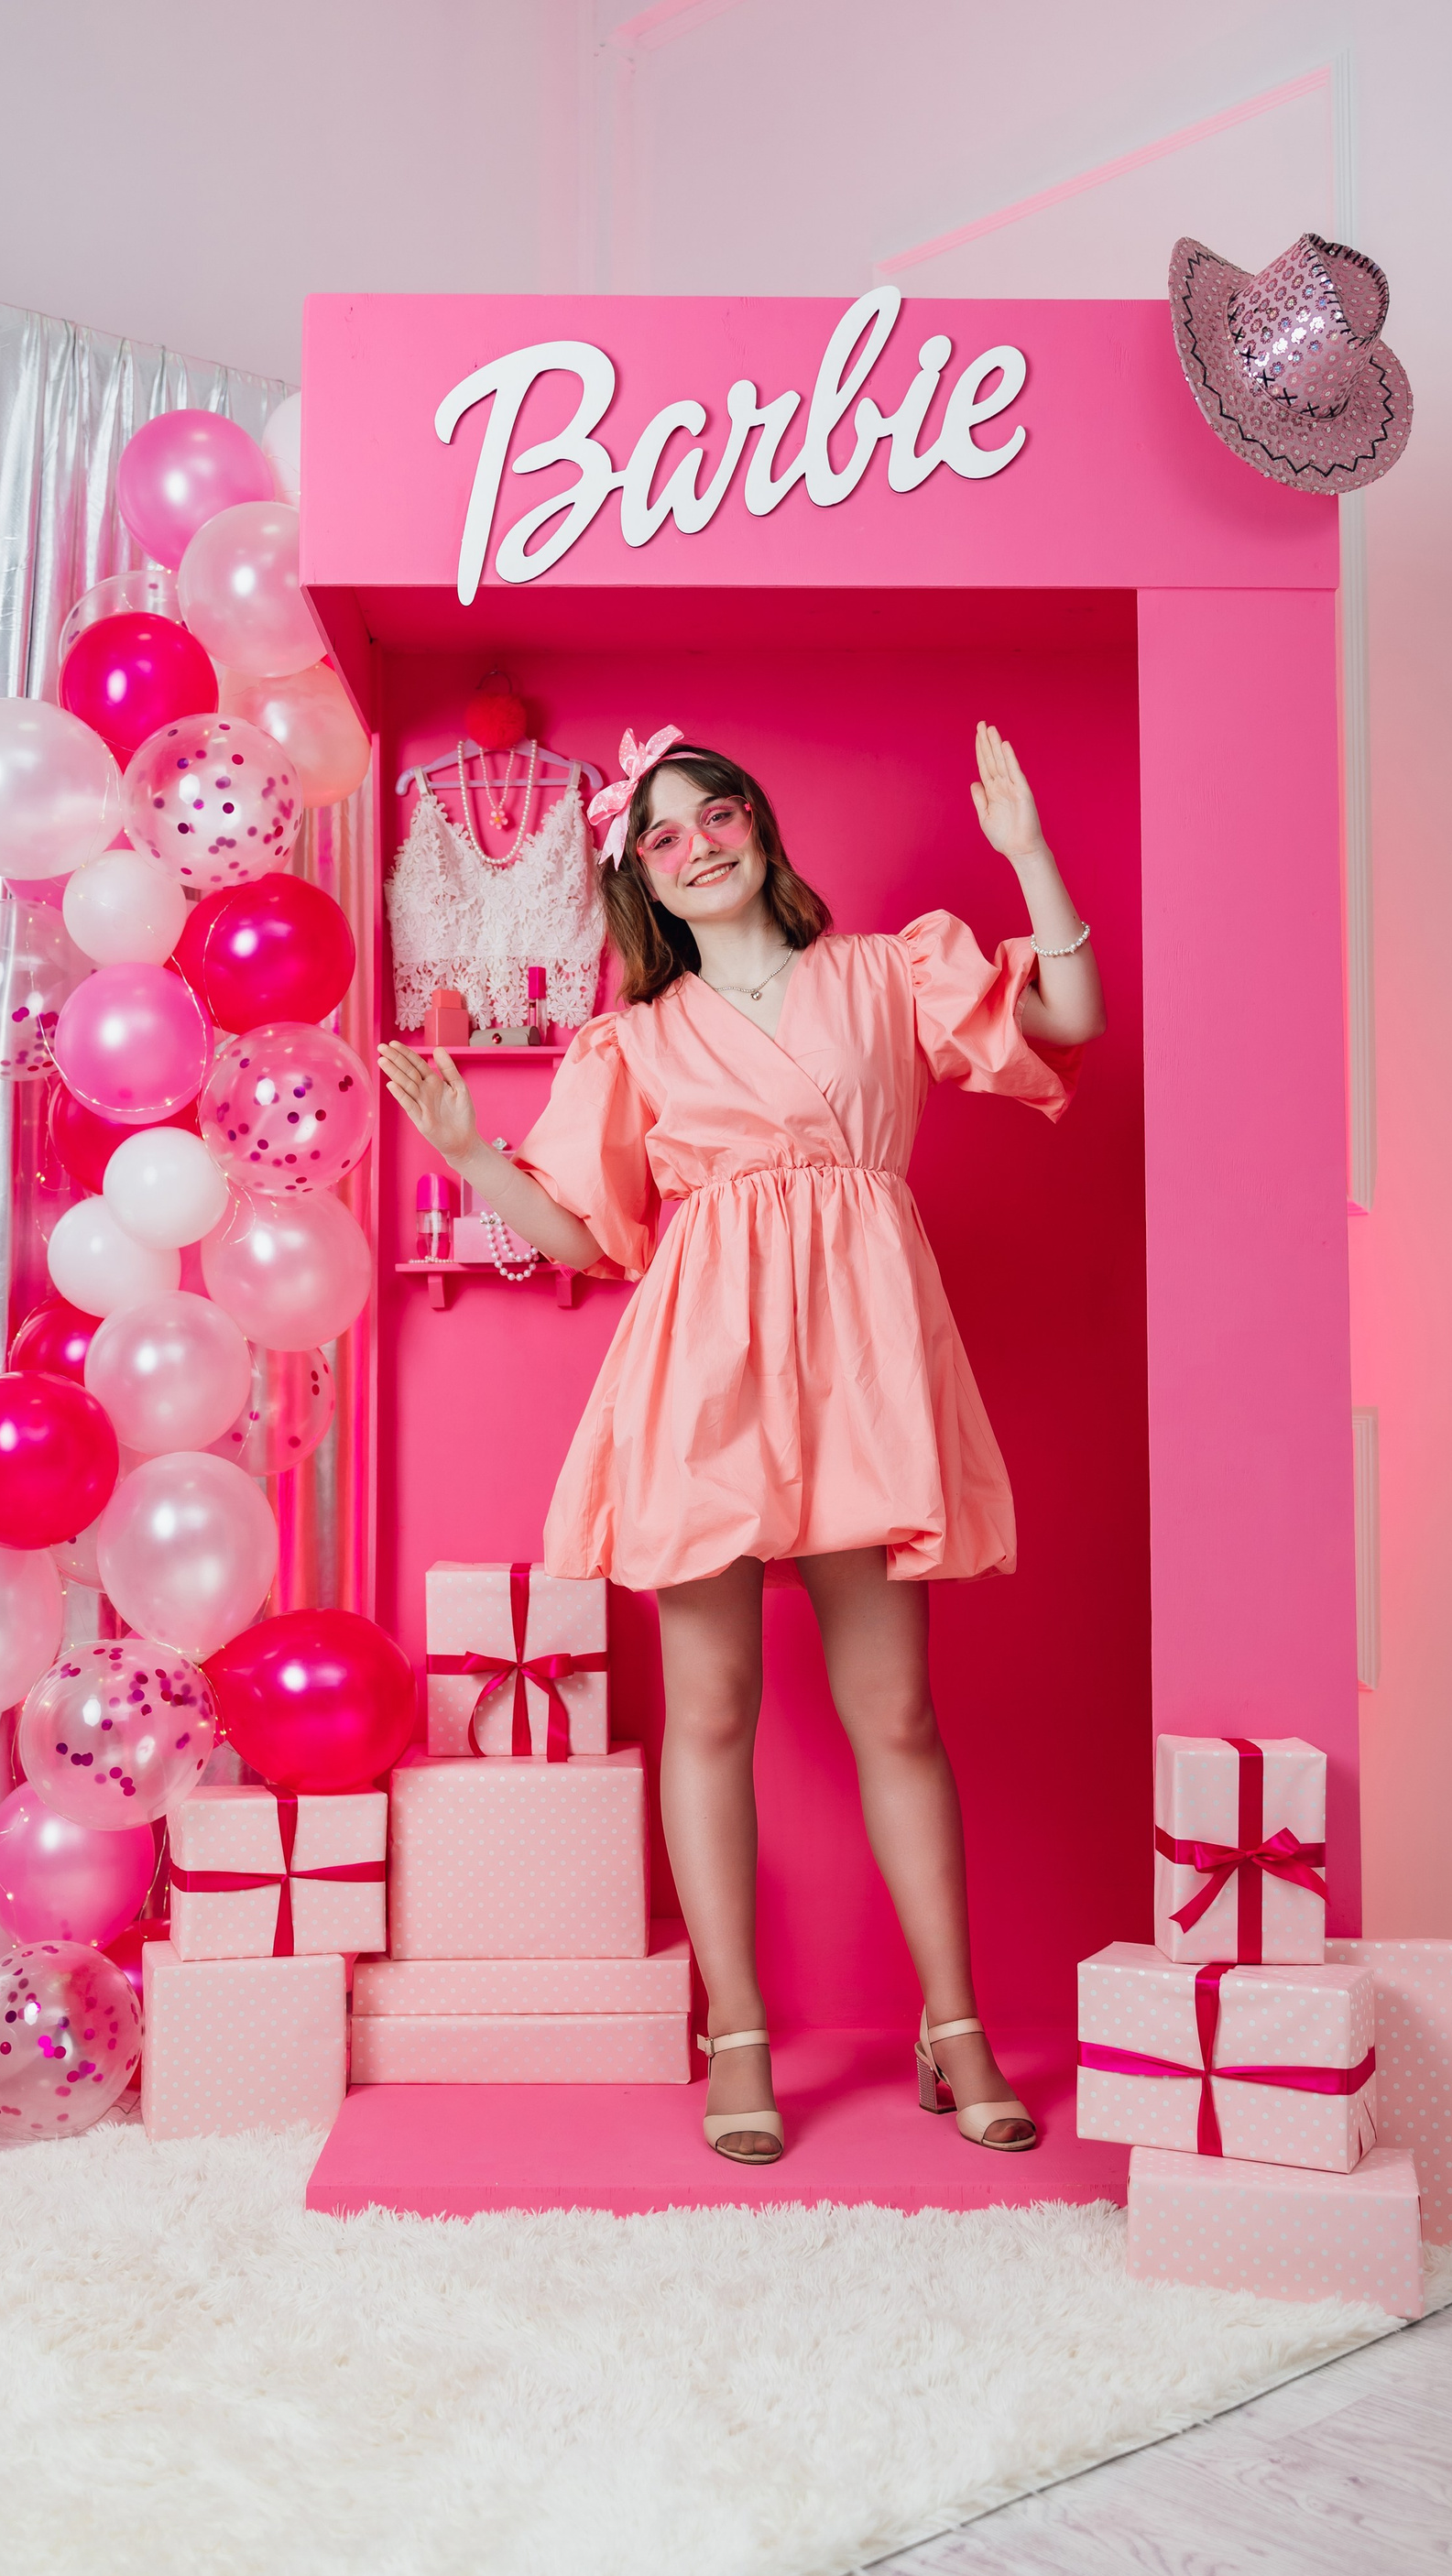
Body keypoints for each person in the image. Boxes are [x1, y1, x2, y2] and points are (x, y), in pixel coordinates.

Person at [379, 723, 1104, 2164]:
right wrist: (468, 1156)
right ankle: (740, 2034)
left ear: (758, 826)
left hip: (861, 1370)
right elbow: (583, 1238)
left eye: (716, 814)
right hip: (703, 1378)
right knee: (710, 1710)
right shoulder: (635, 1041)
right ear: (639, 878)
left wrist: (1028, 853)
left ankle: (956, 2029)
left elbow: (1067, 1019)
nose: (697, 844)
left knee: (896, 1712)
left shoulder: (887, 971)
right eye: (661, 835)